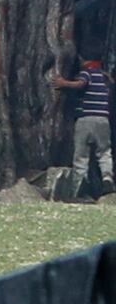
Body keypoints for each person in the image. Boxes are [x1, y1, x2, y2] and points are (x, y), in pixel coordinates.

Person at [61, 44, 114, 200]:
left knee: (81, 153)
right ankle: (107, 177)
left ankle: (78, 184)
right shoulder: (105, 77)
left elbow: (80, 84)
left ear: (82, 59)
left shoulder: (87, 72)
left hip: (85, 119)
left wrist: (64, 83)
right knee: (104, 151)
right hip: (103, 120)